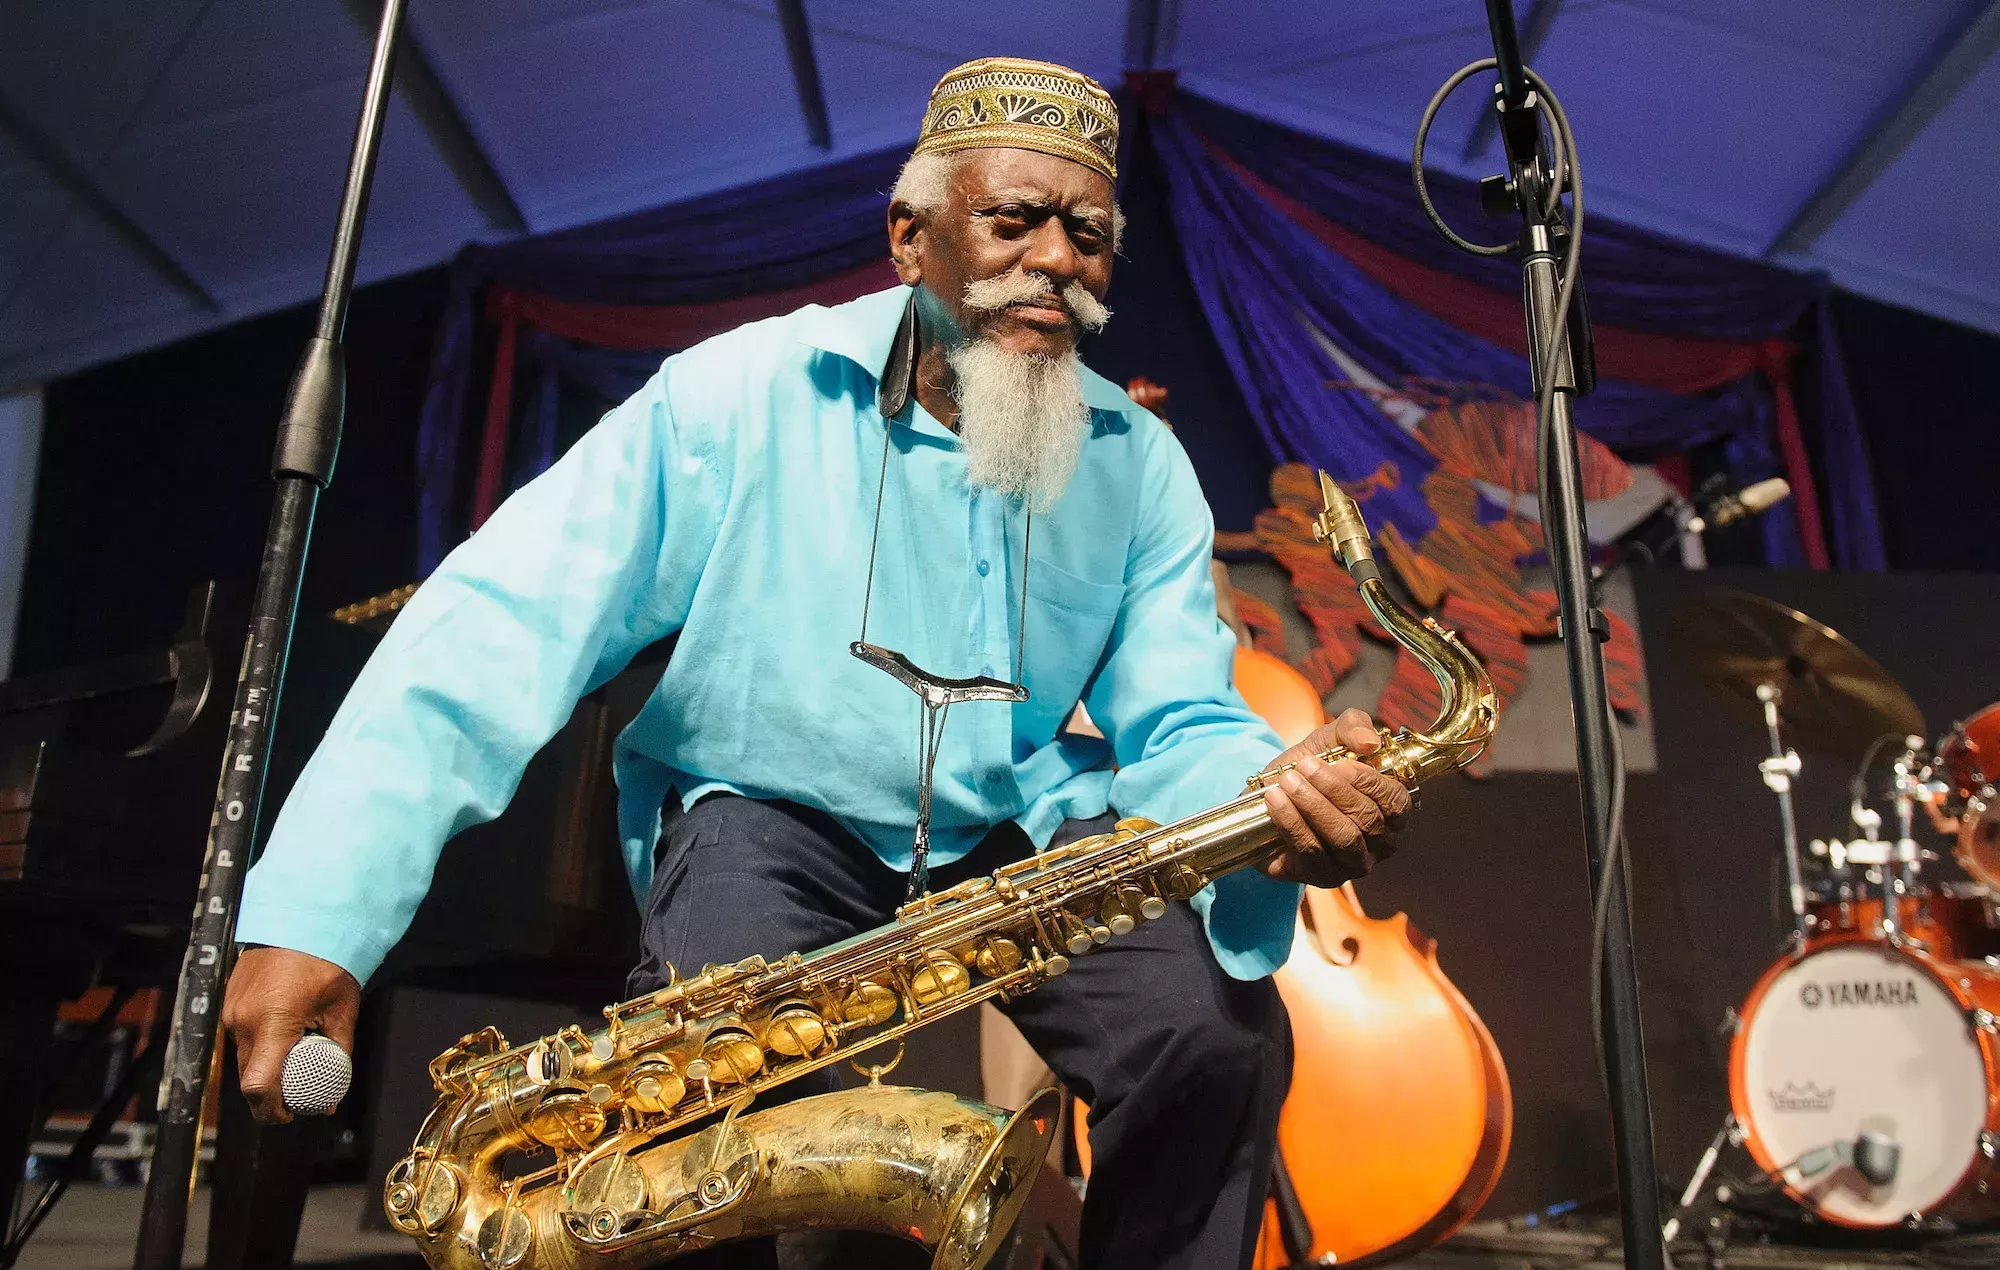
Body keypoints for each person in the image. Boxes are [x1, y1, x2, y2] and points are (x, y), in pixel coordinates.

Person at [223, 57, 1411, 1270]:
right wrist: (318, 915)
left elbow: (1182, 718)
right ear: (909, 238)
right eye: (1013, 220)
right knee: (754, 1131)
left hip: (1015, 823)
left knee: (1218, 1041)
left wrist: (1272, 800)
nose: (1056, 258)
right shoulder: (737, 392)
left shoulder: (1139, 460)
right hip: (765, 819)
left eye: (1088, 235)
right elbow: (499, 623)